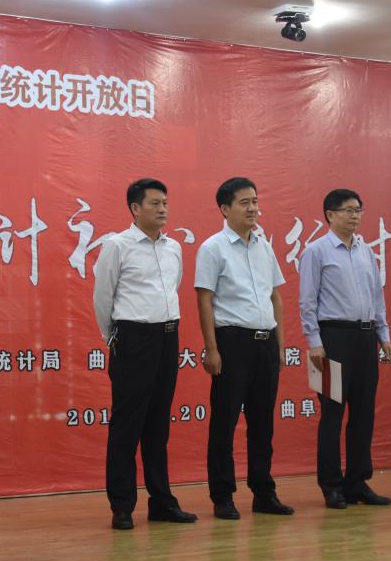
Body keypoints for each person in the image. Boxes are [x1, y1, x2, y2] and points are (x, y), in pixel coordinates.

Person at [93, 178, 198, 530]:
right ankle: (122, 505)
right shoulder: (117, 246)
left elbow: (173, 287)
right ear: (135, 208)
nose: (163, 209)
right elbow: (103, 297)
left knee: (158, 424)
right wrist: (114, 337)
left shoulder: (174, 248)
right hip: (133, 338)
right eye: (155, 203)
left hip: (167, 336)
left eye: (165, 203)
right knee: (127, 424)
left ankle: (162, 502)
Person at [195, 177, 294, 520]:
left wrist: (280, 344)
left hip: (266, 343)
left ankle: (264, 492)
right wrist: (211, 349)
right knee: (224, 423)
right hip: (232, 343)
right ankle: (222, 495)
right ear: (225, 209)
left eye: (255, 201)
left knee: (263, 423)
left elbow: (275, 296)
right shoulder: (213, 248)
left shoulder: (264, 246)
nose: (253, 208)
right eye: (244, 202)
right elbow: (204, 300)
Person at [299, 188, 391, 510]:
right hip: (332, 339)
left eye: (358, 209)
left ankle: (358, 482)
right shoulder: (316, 251)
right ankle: (331, 486)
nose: (355, 215)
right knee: (332, 414)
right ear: (330, 214)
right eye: (348, 210)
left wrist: (383, 335)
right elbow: (307, 302)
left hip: (365, 338)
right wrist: (314, 343)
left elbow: (377, 297)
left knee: (363, 413)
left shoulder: (366, 251)